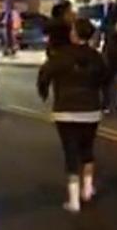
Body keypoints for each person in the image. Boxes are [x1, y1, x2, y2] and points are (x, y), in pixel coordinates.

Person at [38, 18, 111, 213]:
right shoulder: (96, 57)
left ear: (74, 34)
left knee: (70, 152)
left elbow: (44, 74)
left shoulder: (61, 56)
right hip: (91, 110)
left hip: (66, 110)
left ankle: (73, 199)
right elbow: (106, 79)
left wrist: (44, 92)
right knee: (87, 150)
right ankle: (87, 189)